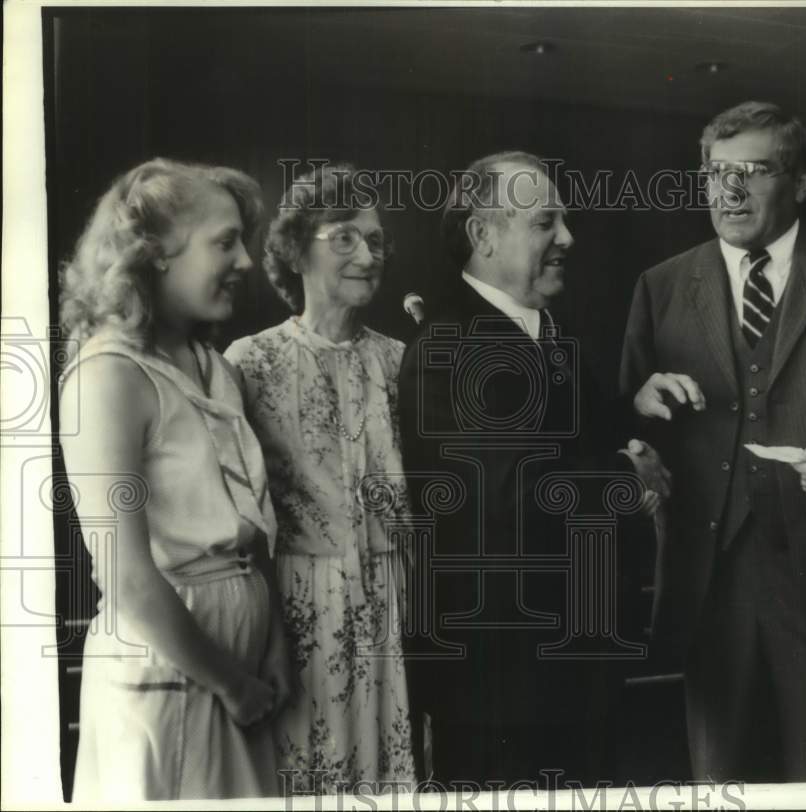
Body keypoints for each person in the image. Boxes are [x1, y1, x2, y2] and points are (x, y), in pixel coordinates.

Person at [619, 101, 806, 781]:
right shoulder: (661, 286)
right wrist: (639, 407)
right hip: (707, 582)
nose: (728, 192)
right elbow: (624, 430)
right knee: (715, 784)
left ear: (801, 182)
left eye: (752, 172)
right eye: (716, 173)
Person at [398, 151, 668, 788]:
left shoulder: (548, 332)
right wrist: (627, 476)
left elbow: (554, 441)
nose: (568, 239)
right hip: (504, 689)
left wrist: (631, 408)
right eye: (545, 222)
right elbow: (509, 495)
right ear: (483, 235)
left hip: (578, 671)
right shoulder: (446, 348)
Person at [58, 158, 290, 800]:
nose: (245, 260)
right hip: (174, 671)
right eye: (224, 241)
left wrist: (271, 645)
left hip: (238, 671)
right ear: (154, 253)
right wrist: (232, 682)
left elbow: (253, 523)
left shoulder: (216, 369)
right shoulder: (108, 377)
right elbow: (128, 580)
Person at [224, 165, 416, 793]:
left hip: (395, 601)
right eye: (345, 238)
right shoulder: (250, 362)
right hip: (298, 606)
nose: (368, 254)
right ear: (295, 249)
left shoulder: (402, 361)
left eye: (376, 241)